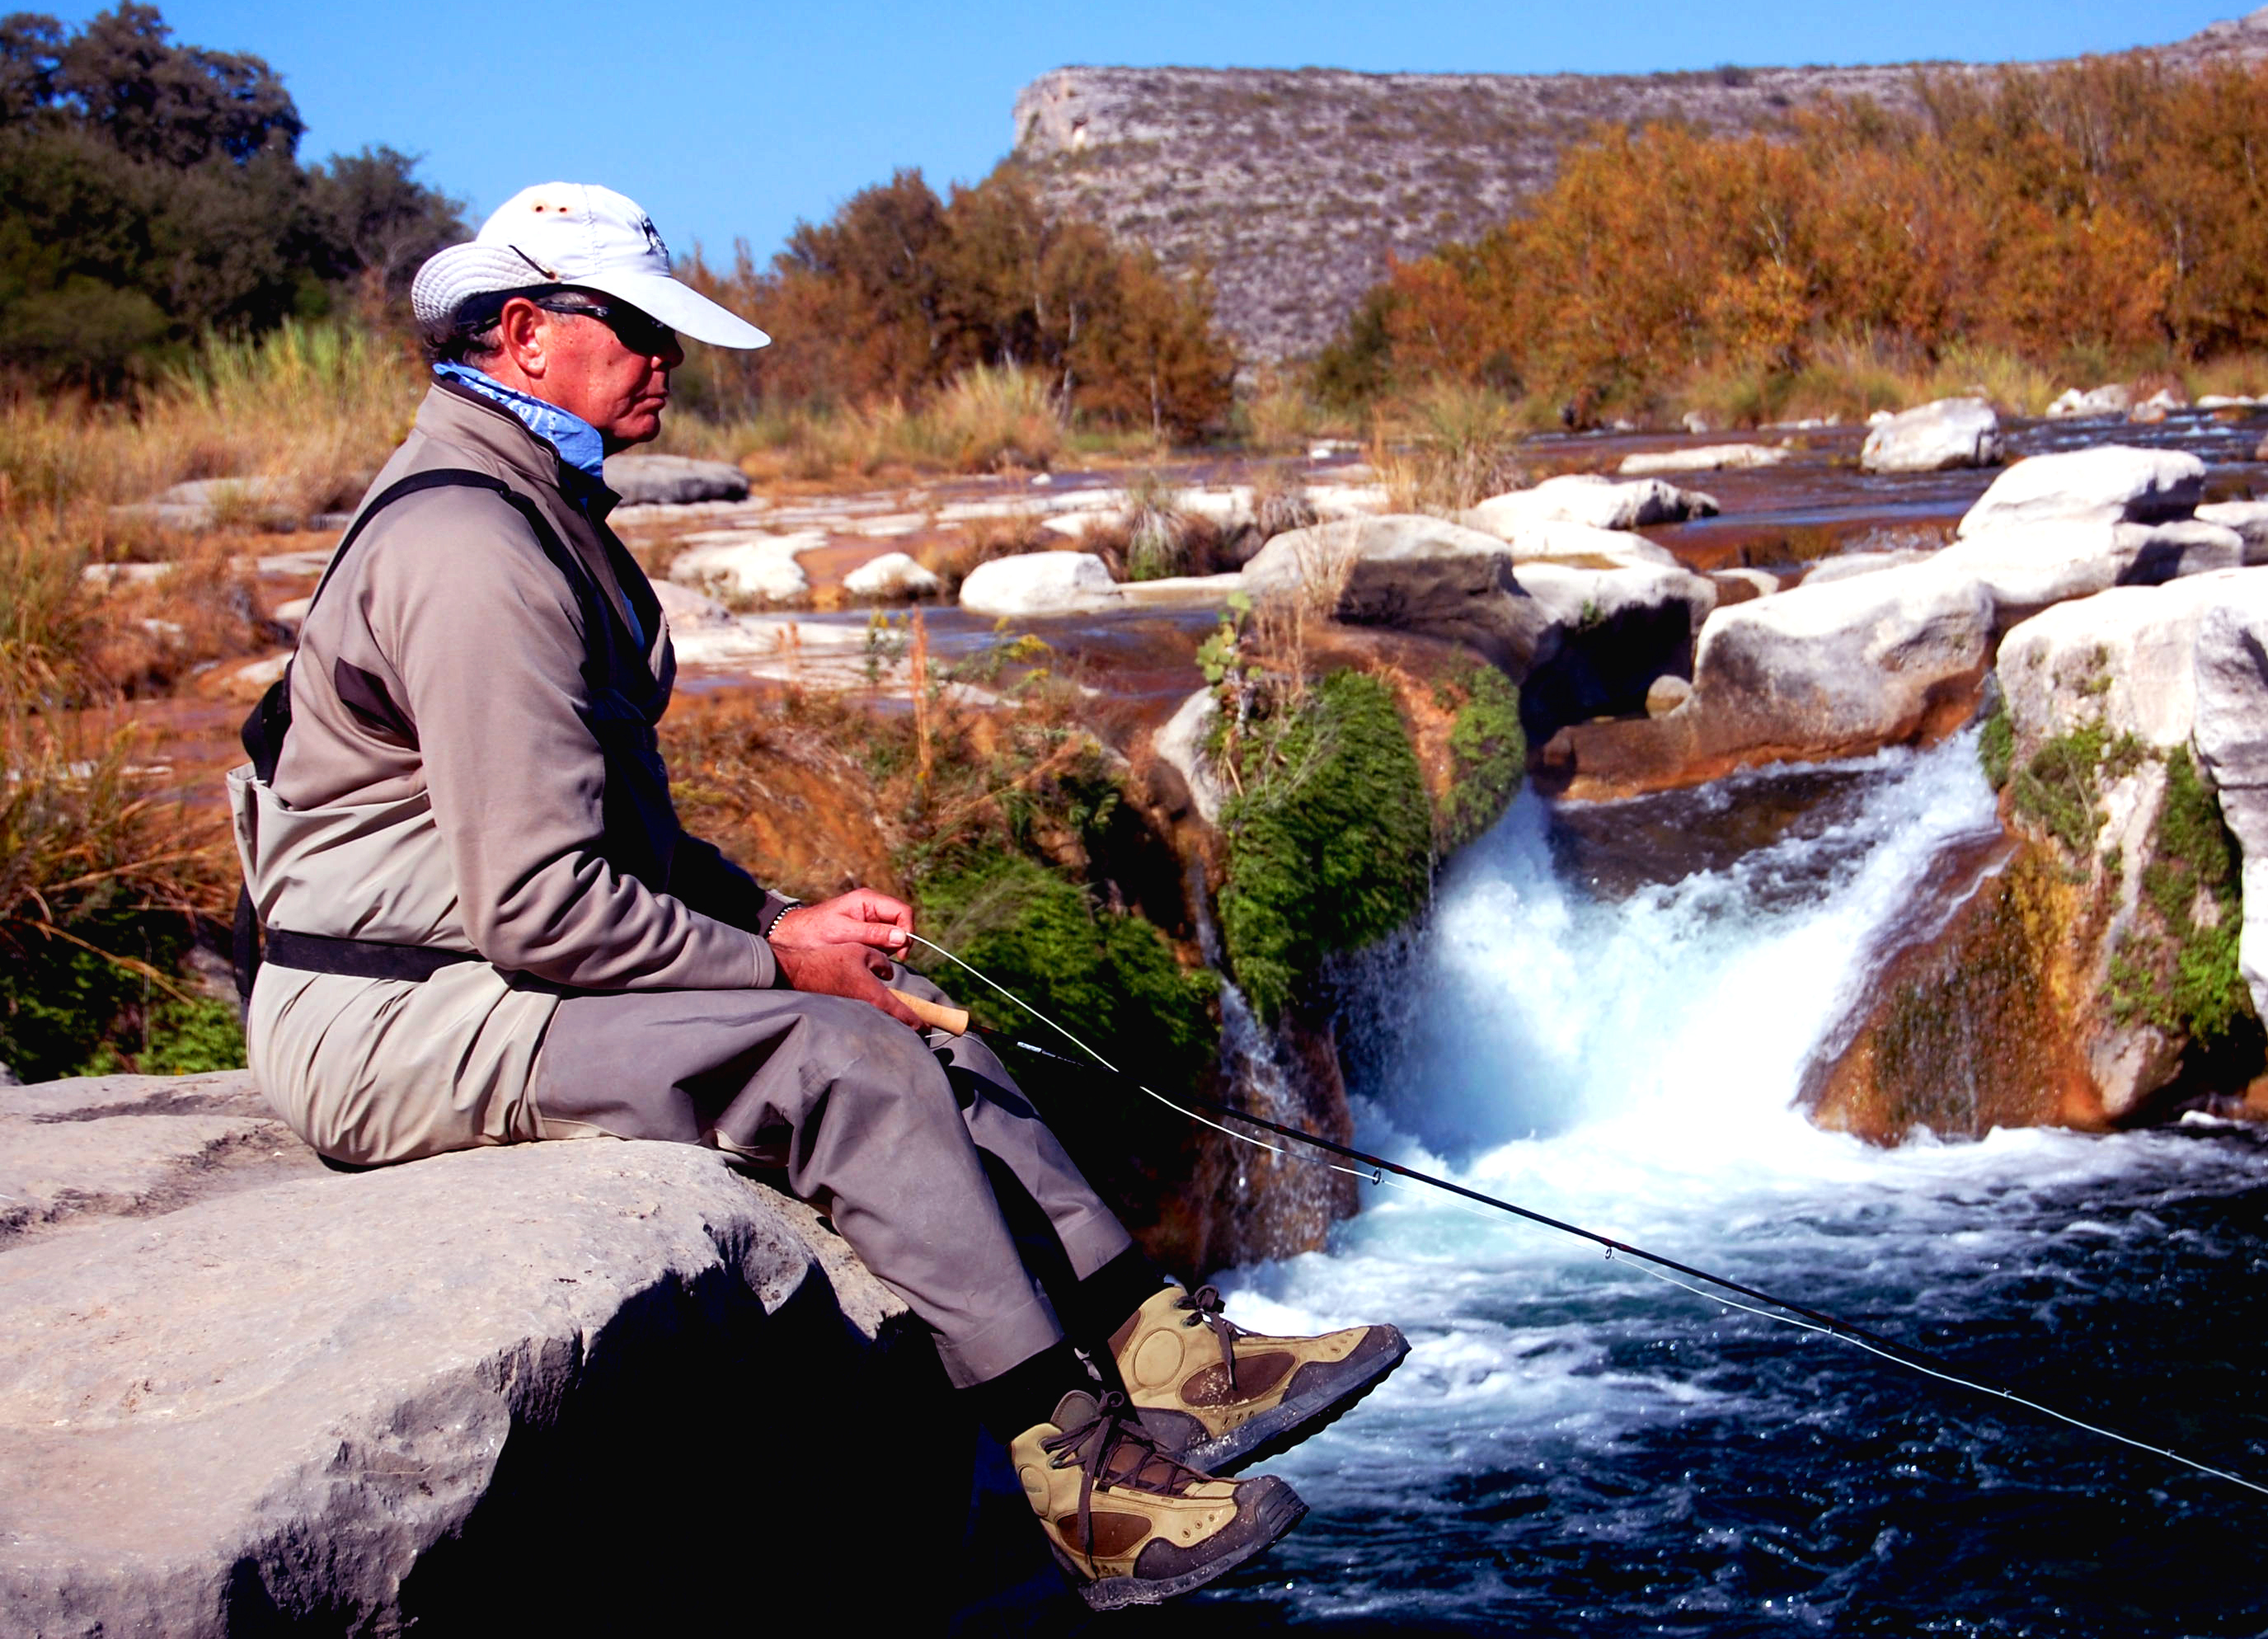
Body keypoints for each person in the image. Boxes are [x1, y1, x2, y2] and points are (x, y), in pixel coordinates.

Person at [228, 181, 1406, 1610]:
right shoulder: (475, 552)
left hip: (473, 972)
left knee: (910, 1013)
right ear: (525, 333)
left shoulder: (537, 510)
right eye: (636, 327)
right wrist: (777, 968)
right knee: (840, 1053)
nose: (667, 360)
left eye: (674, 332)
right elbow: (543, 906)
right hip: (392, 1019)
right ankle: (1072, 1468)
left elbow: (631, 848)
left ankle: (1166, 1349)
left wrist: (790, 924)